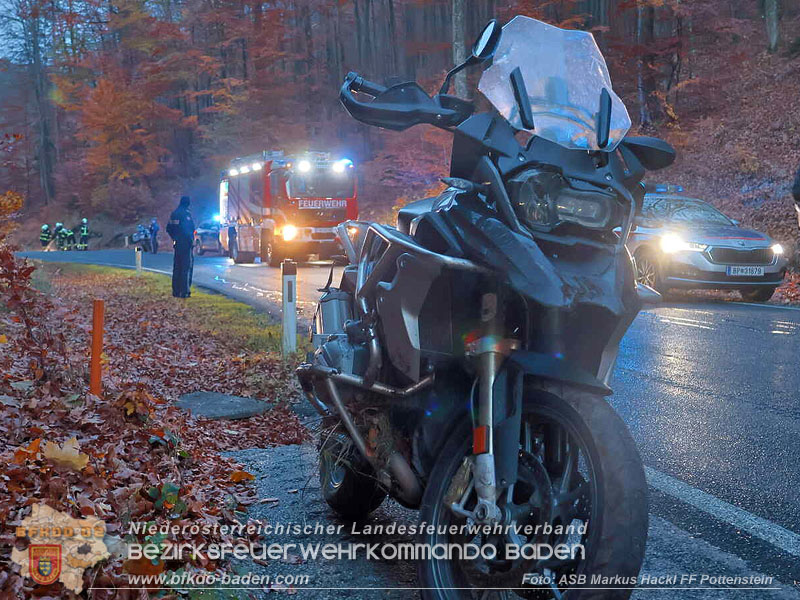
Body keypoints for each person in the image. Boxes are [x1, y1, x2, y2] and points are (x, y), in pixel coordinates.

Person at [167, 196, 195, 298]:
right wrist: (190, 241)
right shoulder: (186, 214)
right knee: (186, 268)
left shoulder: (174, 213)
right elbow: (188, 229)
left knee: (177, 267)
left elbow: (169, 228)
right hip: (186, 245)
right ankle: (184, 291)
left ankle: (175, 291)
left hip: (177, 243)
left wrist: (174, 238)